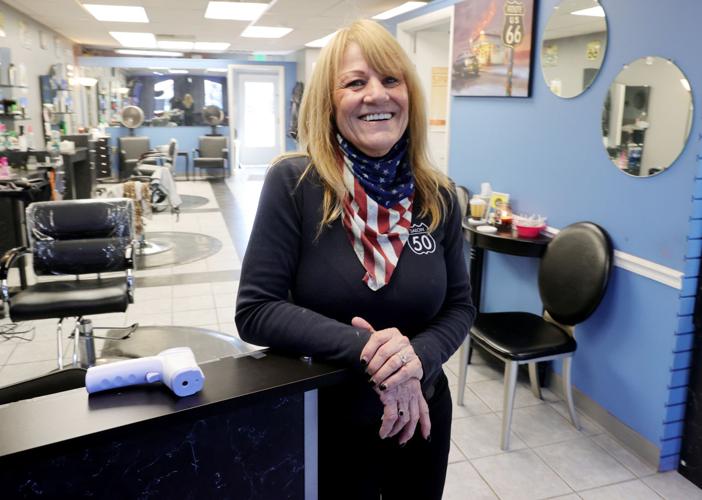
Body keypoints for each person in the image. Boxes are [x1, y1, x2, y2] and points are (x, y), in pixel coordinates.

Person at [235, 19, 474, 500]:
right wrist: (368, 350)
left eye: (390, 79)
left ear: (410, 94)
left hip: (421, 412)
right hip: (328, 416)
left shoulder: (440, 195)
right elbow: (256, 310)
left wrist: (415, 362)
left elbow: (460, 306)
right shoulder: (295, 183)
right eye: (355, 82)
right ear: (329, 100)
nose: (376, 95)